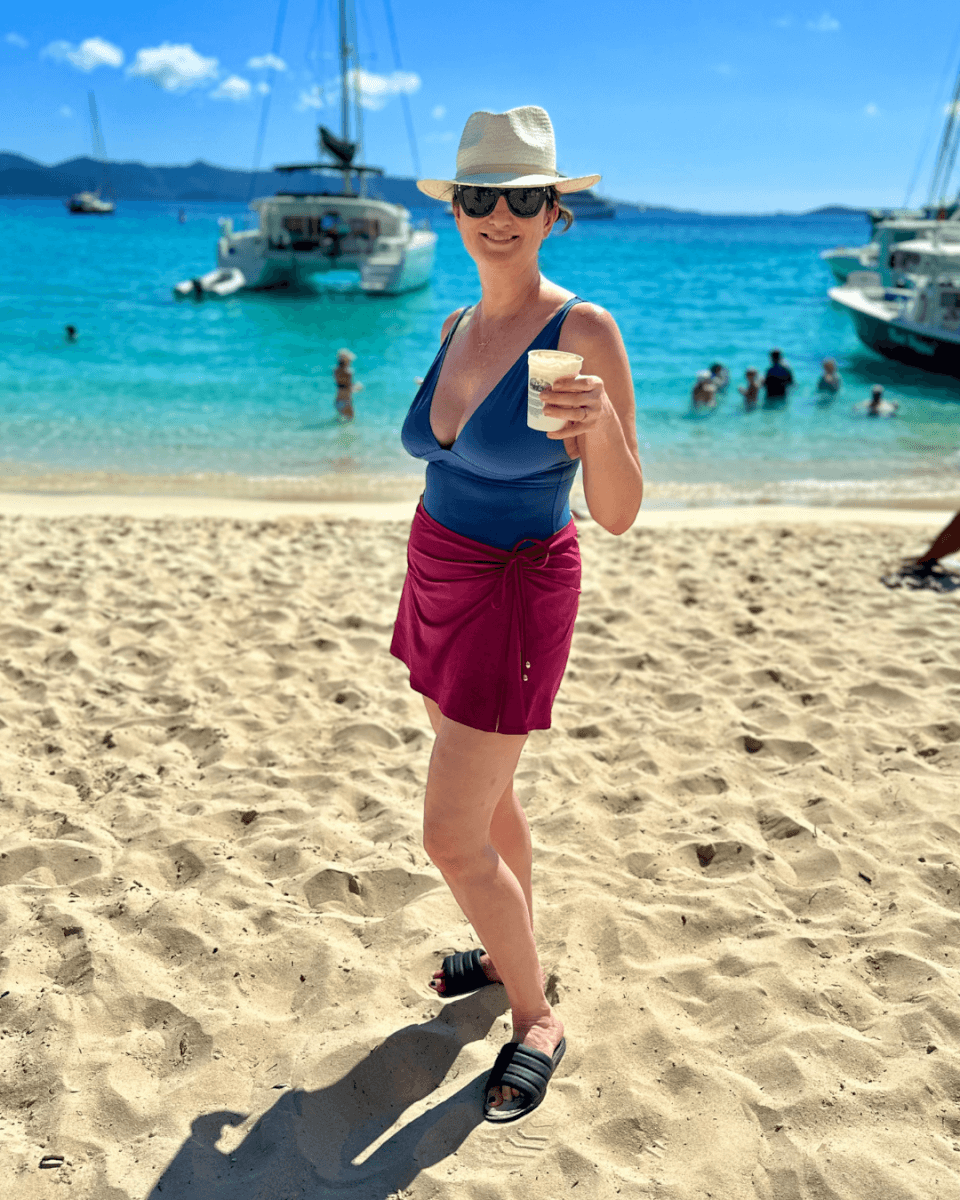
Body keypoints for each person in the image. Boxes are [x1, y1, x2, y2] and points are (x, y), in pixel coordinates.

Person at [391, 106, 642, 1123]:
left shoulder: (575, 332)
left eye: (524, 199)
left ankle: (536, 1016)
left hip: (512, 592)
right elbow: (449, 456)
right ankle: (509, 952)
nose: (501, 216)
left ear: (553, 214)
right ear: (456, 209)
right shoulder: (457, 326)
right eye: (480, 197)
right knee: (492, 806)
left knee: (450, 835)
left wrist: (605, 430)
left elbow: (618, 512)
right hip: (439, 577)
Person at [333, 349, 362, 419]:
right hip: (346, 402)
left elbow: (342, 386)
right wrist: (358, 387)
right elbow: (348, 389)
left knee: (340, 422)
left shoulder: (336, 370)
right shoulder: (349, 372)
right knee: (349, 423)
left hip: (338, 401)